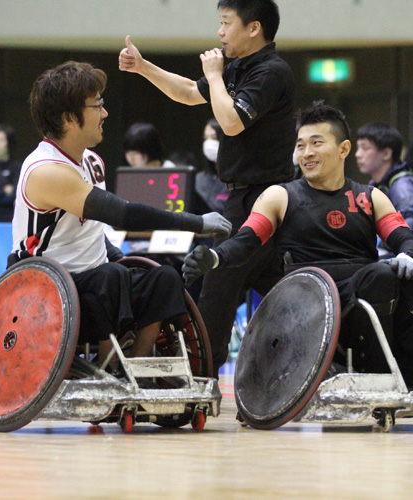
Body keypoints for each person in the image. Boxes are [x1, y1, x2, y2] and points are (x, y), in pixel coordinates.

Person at [182, 102, 413, 389]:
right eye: (300, 145)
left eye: (316, 144)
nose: (306, 153)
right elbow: (246, 242)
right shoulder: (279, 196)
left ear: (343, 149)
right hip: (311, 297)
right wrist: (215, 257)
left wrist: (407, 254)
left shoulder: (370, 197)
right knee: (380, 276)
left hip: (365, 285)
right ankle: (378, 378)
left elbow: (405, 238)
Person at [10, 61, 231, 365]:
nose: (105, 113)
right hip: (45, 290)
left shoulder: (92, 161)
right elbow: (123, 214)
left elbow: (92, 234)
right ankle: (109, 363)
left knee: (163, 277)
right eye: (97, 105)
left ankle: (133, 371)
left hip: (94, 284)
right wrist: (197, 224)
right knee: (111, 276)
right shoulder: (46, 170)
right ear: (68, 118)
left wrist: (122, 260)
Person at [119, 0, 296, 376]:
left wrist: (215, 77)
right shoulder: (237, 68)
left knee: (217, 291)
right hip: (244, 195)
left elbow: (230, 124)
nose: (219, 31)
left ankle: (202, 381)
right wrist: (143, 67)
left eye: (226, 22)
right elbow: (186, 91)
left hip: (264, 197)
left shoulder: (271, 72)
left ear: (253, 28)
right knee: (272, 288)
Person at [355, 122, 413, 267]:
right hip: (397, 253)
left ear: (386, 153)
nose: (357, 154)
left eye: (365, 148)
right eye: (358, 147)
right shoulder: (377, 184)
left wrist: (383, 250)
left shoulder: (403, 185)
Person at [194, 118, 229, 214]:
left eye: (214, 138)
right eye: (206, 138)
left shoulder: (237, 180)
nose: (209, 143)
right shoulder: (199, 179)